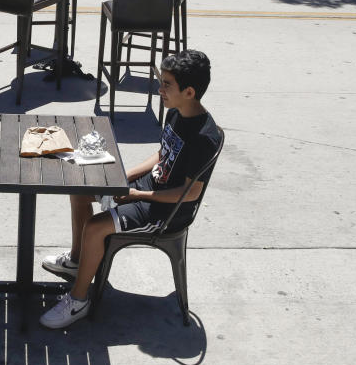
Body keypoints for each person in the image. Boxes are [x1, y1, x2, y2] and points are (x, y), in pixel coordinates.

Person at [38, 50, 221, 329]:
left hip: (165, 211)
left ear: (189, 91)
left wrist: (137, 195)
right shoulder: (176, 113)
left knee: (96, 227)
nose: (159, 89)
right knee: (80, 190)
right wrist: (123, 177)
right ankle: (77, 262)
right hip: (149, 189)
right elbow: (162, 155)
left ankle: (79, 300)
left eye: (167, 84)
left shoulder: (204, 137)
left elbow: (191, 193)